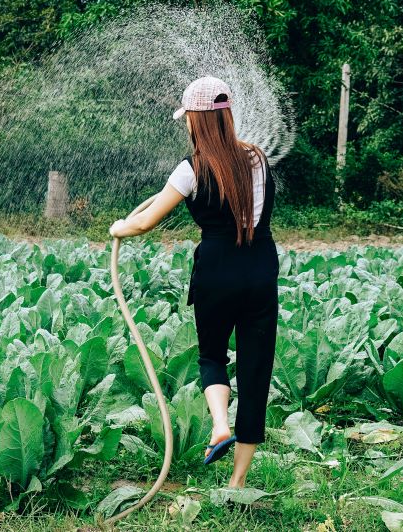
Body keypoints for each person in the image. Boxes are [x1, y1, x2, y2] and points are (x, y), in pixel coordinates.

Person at [109, 76, 279, 489]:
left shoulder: (191, 169)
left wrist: (119, 227)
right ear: (227, 116)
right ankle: (237, 483)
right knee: (256, 371)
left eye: (188, 119)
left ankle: (220, 424)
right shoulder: (257, 158)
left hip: (217, 271)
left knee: (212, 356)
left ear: (197, 122)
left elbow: (146, 221)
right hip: (259, 268)